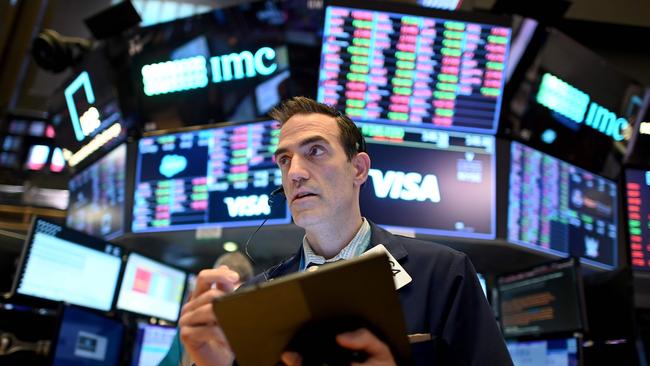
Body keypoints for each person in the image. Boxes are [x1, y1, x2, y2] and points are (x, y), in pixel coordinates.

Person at [179, 97, 513, 365]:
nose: (294, 173)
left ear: (358, 169)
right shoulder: (253, 300)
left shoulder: (442, 273)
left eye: (315, 151)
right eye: (284, 160)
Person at [159, 252, 254, 366]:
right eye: (221, 299)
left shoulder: (258, 338)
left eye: (235, 300)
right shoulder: (192, 326)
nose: (227, 314)